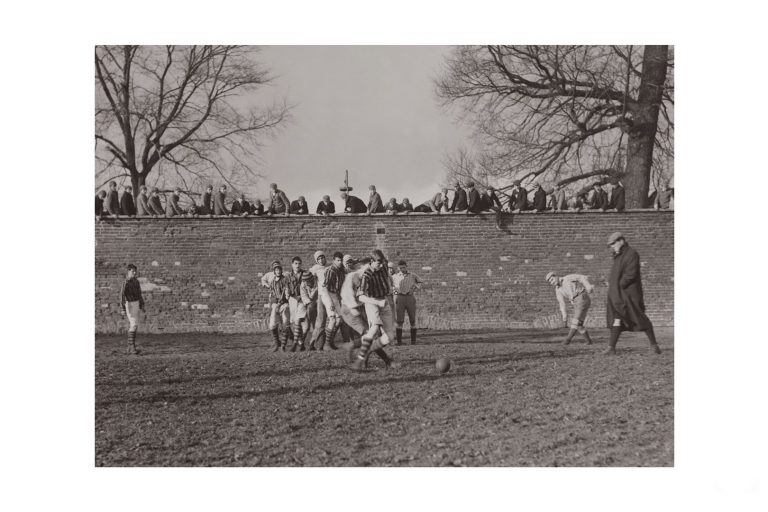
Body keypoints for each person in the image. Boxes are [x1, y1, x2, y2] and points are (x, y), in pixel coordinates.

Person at [604, 232, 662, 355]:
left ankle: (654, 346)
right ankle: (611, 348)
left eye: (613, 244)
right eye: (610, 245)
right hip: (618, 295)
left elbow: (630, 274)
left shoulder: (631, 253)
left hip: (629, 294)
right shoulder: (618, 256)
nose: (612, 247)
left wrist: (619, 284)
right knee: (617, 319)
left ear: (621, 241)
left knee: (640, 317)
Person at [339, 256, 393, 368]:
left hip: (361, 307)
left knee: (372, 334)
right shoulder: (352, 277)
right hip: (350, 309)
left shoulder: (366, 272)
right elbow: (347, 296)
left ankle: (352, 346)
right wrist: (355, 311)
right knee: (369, 334)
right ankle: (383, 360)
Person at [545, 271, 595, 346]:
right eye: (550, 282)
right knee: (579, 324)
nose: (552, 282)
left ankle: (567, 340)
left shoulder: (568, 278)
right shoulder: (558, 290)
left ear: (556, 276)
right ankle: (589, 341)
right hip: (575, 302)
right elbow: (561, 303)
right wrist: (564, 315)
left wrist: (588, 286)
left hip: (582, 297)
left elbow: (582, 277)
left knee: (575, 321)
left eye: (552, 279)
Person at [392, 260, 424, 345]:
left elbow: (421, 282)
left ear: (406, 266)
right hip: (400, 298)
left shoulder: (413, 275)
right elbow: (390, 286)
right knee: (399, 320)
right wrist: (395, 290)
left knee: (412, 319)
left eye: (403, 267)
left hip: (410, 298)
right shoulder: (394, 276)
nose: (402, 269)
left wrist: (414, 288)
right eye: (400, 268)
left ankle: (413, 341)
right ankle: (399, 342)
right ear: (398, 268)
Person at [321, 251, 346, 349]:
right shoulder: (330, 270)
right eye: (338, 260)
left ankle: (330, 342)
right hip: (328, 294)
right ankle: (326, 345)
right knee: (332, 318)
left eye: (341, 260)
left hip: (336, 296)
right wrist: (330, 301)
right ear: (334, 260)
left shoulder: (341, 270)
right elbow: (325, 287)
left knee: (339, 320)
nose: (340, 262)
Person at [119, 263, 145, 355]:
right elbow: (121, 295)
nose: (134, 273)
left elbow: (139, 294)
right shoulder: (125, 282)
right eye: (132, 271)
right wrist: (122, 308)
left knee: (135, 325)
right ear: (128, 271)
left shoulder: (136, 281)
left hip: (136, 303)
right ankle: (132, 347)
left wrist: (142, 304)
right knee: (133, 324)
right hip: (129, 304)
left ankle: (130, 347)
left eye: (135, 271)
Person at [308, 251, 332, 350]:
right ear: (316, 260)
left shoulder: (330, 266)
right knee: (321, 320)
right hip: (322, 296)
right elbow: (308, 279)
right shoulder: (314, 269)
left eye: (322, 258)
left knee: (332, 319)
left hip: (331, 295)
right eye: (319, 259)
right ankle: (312, 343)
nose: (321, 260)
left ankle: (324, 344)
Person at [266, 262, 291, 352]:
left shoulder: (285, 280)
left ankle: (283, 346)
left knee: (286, 323)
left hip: (284, 304)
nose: (278, 271)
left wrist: (286, 296)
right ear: (274, 271)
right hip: (276, 305)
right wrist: (274, 303)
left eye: (279, 269)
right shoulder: (272, 282)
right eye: (276, 270)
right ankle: (277, 343)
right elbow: (272, 294)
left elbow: (287, 291)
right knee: (272, 324)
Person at [286, 257, 308, 351]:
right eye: (295, 263)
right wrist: (287, 293)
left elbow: (310, 285)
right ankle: (301, 343)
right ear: (292, 264)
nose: (297, 265)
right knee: (295, 323)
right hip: (292, 300)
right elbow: (286, 287)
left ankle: (294, 344)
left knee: (300, 322)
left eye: (299, 263)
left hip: (302, 299)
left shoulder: (305, 274)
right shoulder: (288, 275)